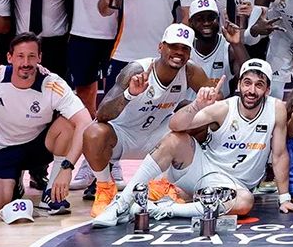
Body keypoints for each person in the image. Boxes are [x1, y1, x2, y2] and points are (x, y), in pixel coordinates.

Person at [95, 60, 293, 227]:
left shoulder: (276, 109)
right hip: (204, 171)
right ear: (239, 85)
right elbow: (175, 125)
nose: (251, 90)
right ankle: (121, 204)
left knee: (245, 202)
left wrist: (284, 198)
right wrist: (197, 105)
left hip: (237, 186)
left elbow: (279, 155)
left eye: (259, 85)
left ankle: (160, 209)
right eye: (247, 83)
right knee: (174, 140)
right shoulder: (224, 108)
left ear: (268, 90)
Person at [80, 23, 209, 215]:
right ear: (160, 47)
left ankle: (167, 183)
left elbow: (217, 104)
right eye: (173, 46)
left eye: (184, 48)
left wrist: (207, 101)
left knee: (199, 117)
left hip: (159, 136)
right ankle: (105, 188)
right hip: (124, 135)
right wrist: (130, 94)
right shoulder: (136, 70)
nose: (179, 52)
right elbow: (102, 114)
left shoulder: (191, 72)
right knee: (94, 133)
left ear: (190, 53)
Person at [0, 33, 93, 218]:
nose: (26, 62)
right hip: (2, 148)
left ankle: (52, 192)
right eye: (20, 56)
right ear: (9, 58)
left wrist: (67, 167)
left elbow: (85, 122)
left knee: (68, 125)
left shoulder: (52, 83)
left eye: (31, 56)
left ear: (39, 58)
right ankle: (15, 181)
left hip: (37, 148)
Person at [185, 0, 249, 93]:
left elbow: (249, 75)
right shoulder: (184, 47)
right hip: (189, 102)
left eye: (211, 18)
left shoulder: (228, 48)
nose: (206, 23)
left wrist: (237, 44)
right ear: (190, 23)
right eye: (200, 19)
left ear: (218, 20)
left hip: (221, 102)